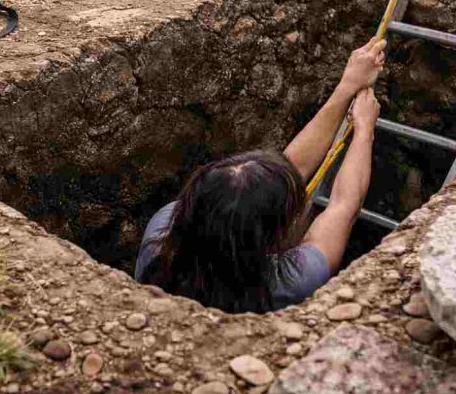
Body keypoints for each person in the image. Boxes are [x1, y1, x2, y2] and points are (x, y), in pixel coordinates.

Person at [135, 36, 386, 313]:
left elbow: (290, 170)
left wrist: (347, 87)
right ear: (267, 236)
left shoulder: (159, 237)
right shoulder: (289, 281)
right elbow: (343, 206)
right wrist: (365, 130)